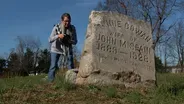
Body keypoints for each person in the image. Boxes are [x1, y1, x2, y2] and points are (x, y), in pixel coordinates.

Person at [48, 13, 77, 82]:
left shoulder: (72, 28)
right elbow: (50, 39)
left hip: (67, 48)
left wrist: (70, 41)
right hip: (56, 49)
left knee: (70, 64)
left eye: (69, 21)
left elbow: (75, 41)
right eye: (66, 21)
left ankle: (71, 81)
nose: (67, 23)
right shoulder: (56, 27)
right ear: (62, 21)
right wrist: (58, 36)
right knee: (53, 66)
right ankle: (50, 82)